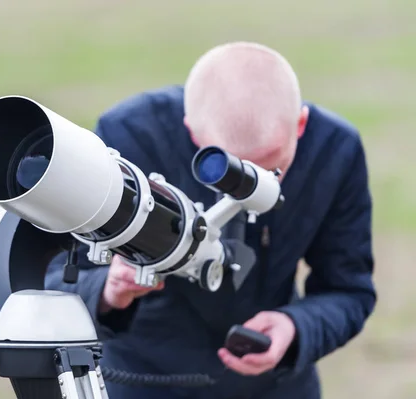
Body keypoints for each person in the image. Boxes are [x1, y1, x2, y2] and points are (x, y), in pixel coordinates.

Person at [44, 41, 376, 399]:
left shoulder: (334, 151)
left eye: (270, 170)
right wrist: (109, 291)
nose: (249, 193)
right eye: (232, 175)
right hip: (141, 381)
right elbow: (55, 278)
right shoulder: (130, 137)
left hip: (274, 387)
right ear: (192, 133)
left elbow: (349, 290)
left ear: (301, 124)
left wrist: (295, 328)